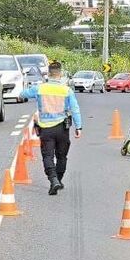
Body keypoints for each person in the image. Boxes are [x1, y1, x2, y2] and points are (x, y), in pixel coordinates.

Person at [22, 61, 82, 195]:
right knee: (62, 156)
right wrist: (79, 127)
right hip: (62, 128)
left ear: (48, 74)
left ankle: (53, 180)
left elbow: (23, 94)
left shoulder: (40, 88)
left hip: (46, 128)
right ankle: (58, 180)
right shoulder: (66, 90)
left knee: (47, 156)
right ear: (60, 74)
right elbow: (75, 109)